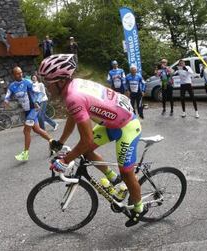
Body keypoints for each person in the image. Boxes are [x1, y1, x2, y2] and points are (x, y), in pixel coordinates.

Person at [38, 54, 146, 227]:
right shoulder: (72, 87)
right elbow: (74, 116)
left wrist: (65, 160)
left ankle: (139, 208)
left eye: (48, 83)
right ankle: (113, 180)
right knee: (85, 152)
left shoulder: (73, 96)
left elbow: (86, 140)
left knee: (126, 172)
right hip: (113, 122)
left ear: (59, 81)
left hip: (127, 126)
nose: (46, 88)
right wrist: (61, 141)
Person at [4, 67, 55, 161]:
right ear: (14, 75)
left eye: (21, 72)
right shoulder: (12, 86)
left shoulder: (27, 82)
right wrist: (6, 101)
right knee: (37, 129)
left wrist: (37, 102)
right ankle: (53, 143)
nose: (20, 74)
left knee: (26, 131)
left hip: (33, 109)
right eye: (18, 73)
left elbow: (40, 94)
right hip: (27, 111)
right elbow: (7, 95)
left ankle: (25, 153)